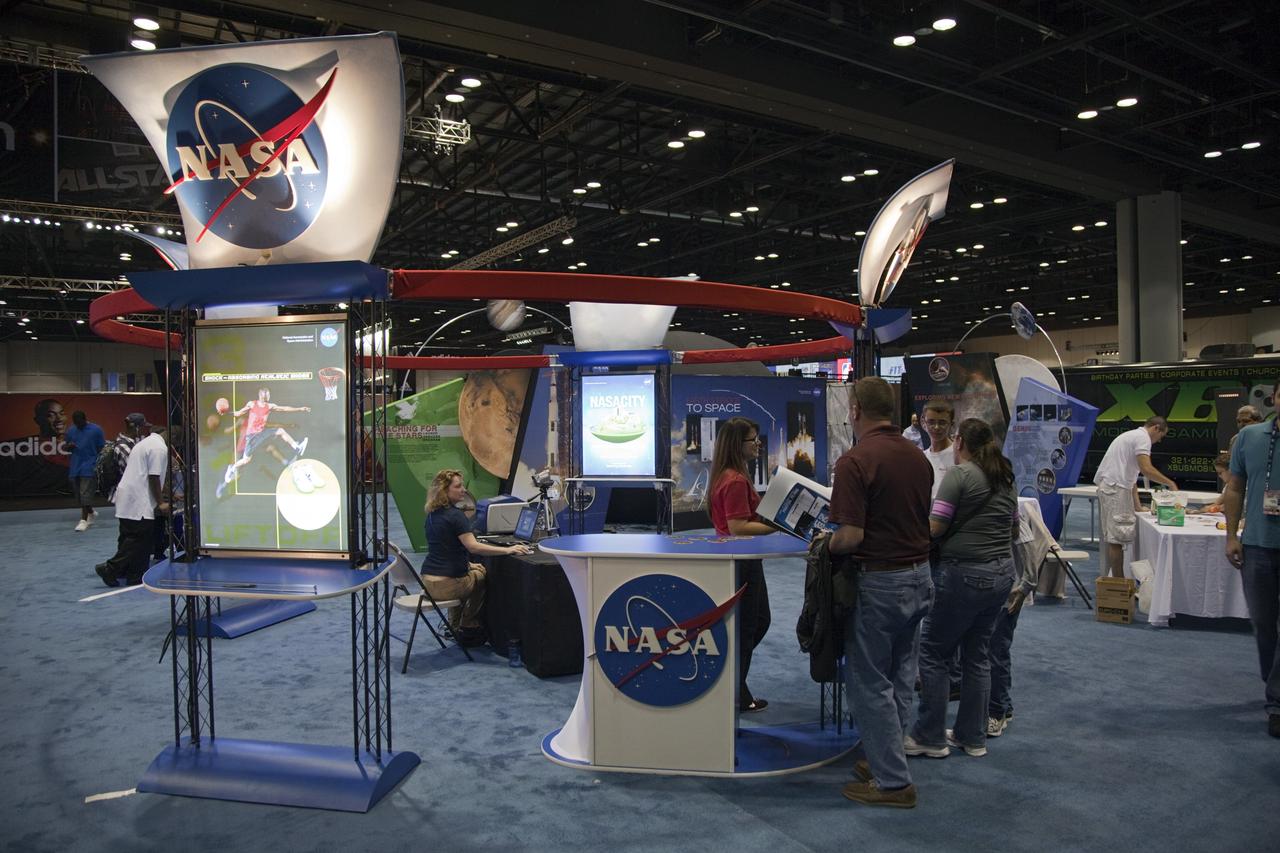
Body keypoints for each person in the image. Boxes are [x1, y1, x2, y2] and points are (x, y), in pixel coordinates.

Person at [829, 377, 933, 808]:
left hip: (880, 582)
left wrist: (824, 543)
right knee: (901, 676)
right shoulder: (917, 456)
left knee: (869, 681)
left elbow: (851, 536)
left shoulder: (855, 461)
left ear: (854, 410)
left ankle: (892, 783)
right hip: (920, 575)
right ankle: (887, 758)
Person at [908, 418, 1017, 760]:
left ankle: (929, 736)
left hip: (962, 575)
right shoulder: (1006, 477)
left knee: (934, 652)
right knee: (977, 654)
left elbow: (936, 527)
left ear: (959, 443)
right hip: (1002, 574)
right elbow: (1014, 529)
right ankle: (972, 737)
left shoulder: (959, 476)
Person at [1223, 381, 1280, 739]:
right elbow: (1235, 487)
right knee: (1263, 623)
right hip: (1258, 543)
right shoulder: (1250, 437)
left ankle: (1276, 702)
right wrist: (1231, 535)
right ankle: (1272, 680)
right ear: (1275, 398)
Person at [709, 417, 773, 713]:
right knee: (749, 627)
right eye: (753, 439)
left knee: (754, 623)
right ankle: (735, 690)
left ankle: (737, 687)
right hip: (742, 560)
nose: (758, 444)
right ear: (738, 444)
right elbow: (738, 527)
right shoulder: (734, 480)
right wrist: (778, 526)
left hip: (740, 560)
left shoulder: (728, 475)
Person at [422, 469, 530, 645]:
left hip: (427, 583)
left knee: (472, 571)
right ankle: (469, 624)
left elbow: (445, 549)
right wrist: (508, 550)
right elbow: (473, 547)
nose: (463, 490)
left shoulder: (432, 515)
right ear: (444, 490)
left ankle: (453, 625)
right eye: (458, 486)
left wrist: (469, 565)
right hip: (447, 586)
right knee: (480, 576)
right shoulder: (456, 516)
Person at [1093, 416, 1176, 578]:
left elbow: (1131, 479)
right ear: (1156, 428)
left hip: (1113, 487)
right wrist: (1170, 483)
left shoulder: (1131, 436)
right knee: (1117, 539)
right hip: (1115, 490)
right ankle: (1119, 583)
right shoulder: (1143, 438)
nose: (1159, 440)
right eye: (1161, 436)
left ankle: (1118, 582)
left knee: (1115, 538)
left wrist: (1137, 506)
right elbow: (1147, 469)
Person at [95, 414, 168, 587]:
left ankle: (133, 574)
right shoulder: (129, 446)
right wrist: (161, 501)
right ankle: (111, 568)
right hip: (136, 498)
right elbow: (152, 476)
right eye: (141, 426)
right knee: (138, 538)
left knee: (130, 537)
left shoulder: (137, 444)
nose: (142, 430)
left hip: (128, 496)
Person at [216, 388, 311, 498]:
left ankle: (297, 448)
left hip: (260, 434)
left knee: (280, 431)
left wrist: (300, 409)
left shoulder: (269, 406)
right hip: (251, 438)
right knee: (245, 461)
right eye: (266, 395)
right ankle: (230, 472)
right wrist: (227, 412)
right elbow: (238, 413)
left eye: (268, 394)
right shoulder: (251, 405)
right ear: (261, 396)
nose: (268, 397)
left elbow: (284, 408)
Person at [64, 410, 105, 531]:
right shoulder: (71, 430)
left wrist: (97, 464)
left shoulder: (96, 430)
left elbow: (101, 448)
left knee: (85, 493)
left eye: (79, 422)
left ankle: (83, 520)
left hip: (90, 465)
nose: (78, 425)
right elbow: (66, 446)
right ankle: (90, 512)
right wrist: (69, 446)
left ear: (84, 419)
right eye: (75, 423)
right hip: (75, 465)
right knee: (79, 495)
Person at [921, 400, 956, 500]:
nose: (936, 427)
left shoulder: (958, 455)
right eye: (931, 422)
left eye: (942, 423)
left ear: (951, 424)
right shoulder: (922, 457)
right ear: (923, 422)